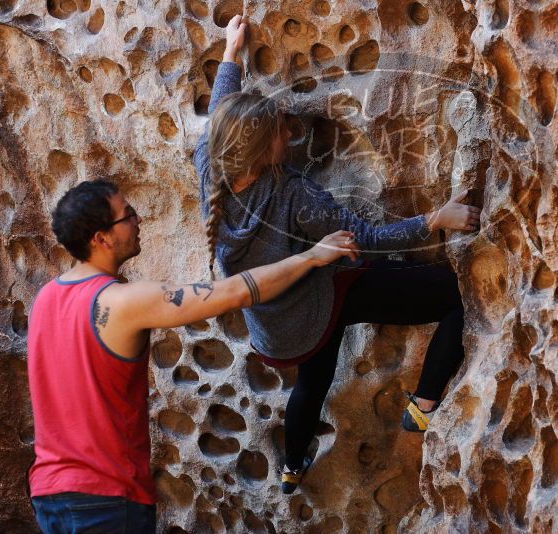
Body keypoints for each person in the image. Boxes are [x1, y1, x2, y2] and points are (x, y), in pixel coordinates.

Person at [195, 16, 481, 494]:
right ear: (267, 150)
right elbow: (364, 239)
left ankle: (291, 468)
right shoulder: (292, 194)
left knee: (312, 381)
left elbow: (223, 108)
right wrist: (435, 219)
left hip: (276, 332)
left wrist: (231, 52)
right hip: (323, 301)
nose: (292, 135)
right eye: (283, 133)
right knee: (456, 296)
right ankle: (424, 403)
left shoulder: (211, 167)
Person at [27, 179, 358, 533]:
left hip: (50, 494)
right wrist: (311, 256)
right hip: (104, 497)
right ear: (101, 238)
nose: (138, 220)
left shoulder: (44, 300)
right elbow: (233, 293)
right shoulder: (121, 302)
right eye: (128, 215)